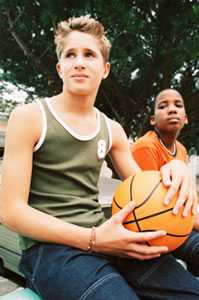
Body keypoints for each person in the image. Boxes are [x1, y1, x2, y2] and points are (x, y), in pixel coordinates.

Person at [1, 16, 199, 300]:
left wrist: (177, 168)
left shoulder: (112, 129)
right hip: (50, 250)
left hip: (108, 237)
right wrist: (94, 240)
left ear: (105, 69)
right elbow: (10, 212)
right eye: (70, 54)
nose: (79, 62)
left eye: (89, 54)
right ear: (60, 68)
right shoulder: (30, 117)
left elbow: (146, 189)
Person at [131, 88, 199, 276]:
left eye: (178, 105)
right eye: (163, 106)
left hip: (176, 220)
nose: (172, 109)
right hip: (155, 228)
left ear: (185, 118)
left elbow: (183, 196)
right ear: (153, 120)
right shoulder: (145, 147)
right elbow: (153, 210)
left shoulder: (182, 150)